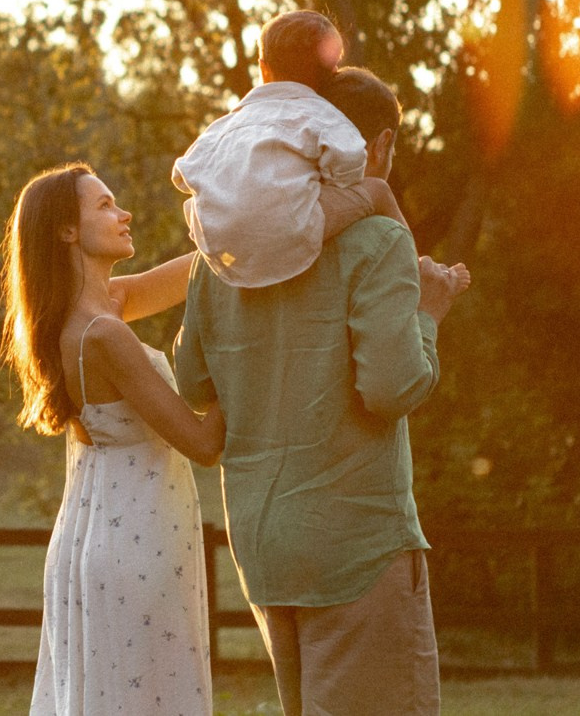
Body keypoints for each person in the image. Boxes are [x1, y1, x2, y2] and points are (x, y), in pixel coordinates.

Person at [175, 67, 469, 716]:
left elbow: (193, 381)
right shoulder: (379, 242)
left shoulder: (217, 261)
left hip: (263, 546)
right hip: (355, 543)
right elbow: (393, 388)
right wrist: (430, 310)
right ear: (382, 143)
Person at [0, 162, 226, 716]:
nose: (123, 213)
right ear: (66, 230)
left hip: (94, 539)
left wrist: (258, 235)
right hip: (137, 547)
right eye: (103, 205)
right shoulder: (103, 335)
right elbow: (202, 443)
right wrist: (241, 361)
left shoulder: (88, 314)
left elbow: (200, 270)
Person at [172, 11, 403, 289]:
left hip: (221, 248)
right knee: (378, 190)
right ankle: (417, 270)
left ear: (263, 68)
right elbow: (353, 158)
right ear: (331, 71)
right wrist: (336, 184)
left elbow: (182, 174)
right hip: (289, 234)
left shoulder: (226, 124)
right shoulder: (322, 114)